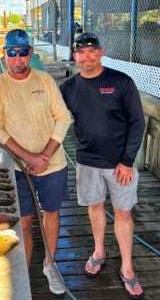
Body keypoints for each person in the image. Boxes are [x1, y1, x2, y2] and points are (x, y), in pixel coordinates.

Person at [0, 29, 73, 295]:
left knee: (51, 214)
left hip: (53, 165)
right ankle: (23, 269)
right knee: (23, 221)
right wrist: (30, 158)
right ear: (4, 55)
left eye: (22, 53)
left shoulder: (45, 80)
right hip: (19, 167)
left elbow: (63, 118)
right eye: (11, 53)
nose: (17, 59)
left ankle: (50, 265)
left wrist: (44, 156)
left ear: (30, 54)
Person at [60, 32, 145, 300]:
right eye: (81, 52)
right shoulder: (67, 88)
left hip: (120, 164)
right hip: (87, 162)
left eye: (91, 51)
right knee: (94, 207)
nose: (86, 56)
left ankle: (127, 266)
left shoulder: (121, 81)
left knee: (122, 213)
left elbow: (137, 122)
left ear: (100, 52)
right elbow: (49, 116)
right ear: (75, 56)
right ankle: (99, 251)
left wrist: (127, 161)